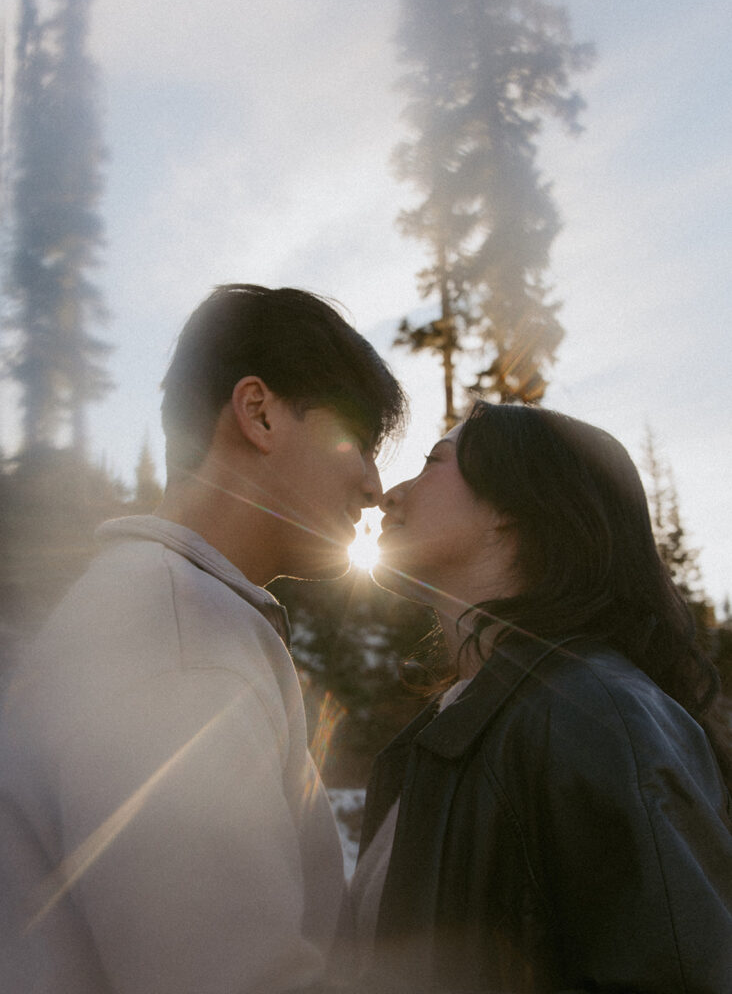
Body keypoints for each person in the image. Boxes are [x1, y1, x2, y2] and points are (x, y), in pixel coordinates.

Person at [0, 284, 406, 994]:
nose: (375, 485)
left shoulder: (176, 611)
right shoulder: (177, 639)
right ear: (258, 413)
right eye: (360, 442)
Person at [352, 401, 732, 994]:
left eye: (432, 464)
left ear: (511, 508)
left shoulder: (597, 713)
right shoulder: (452, 730)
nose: (388, 495)